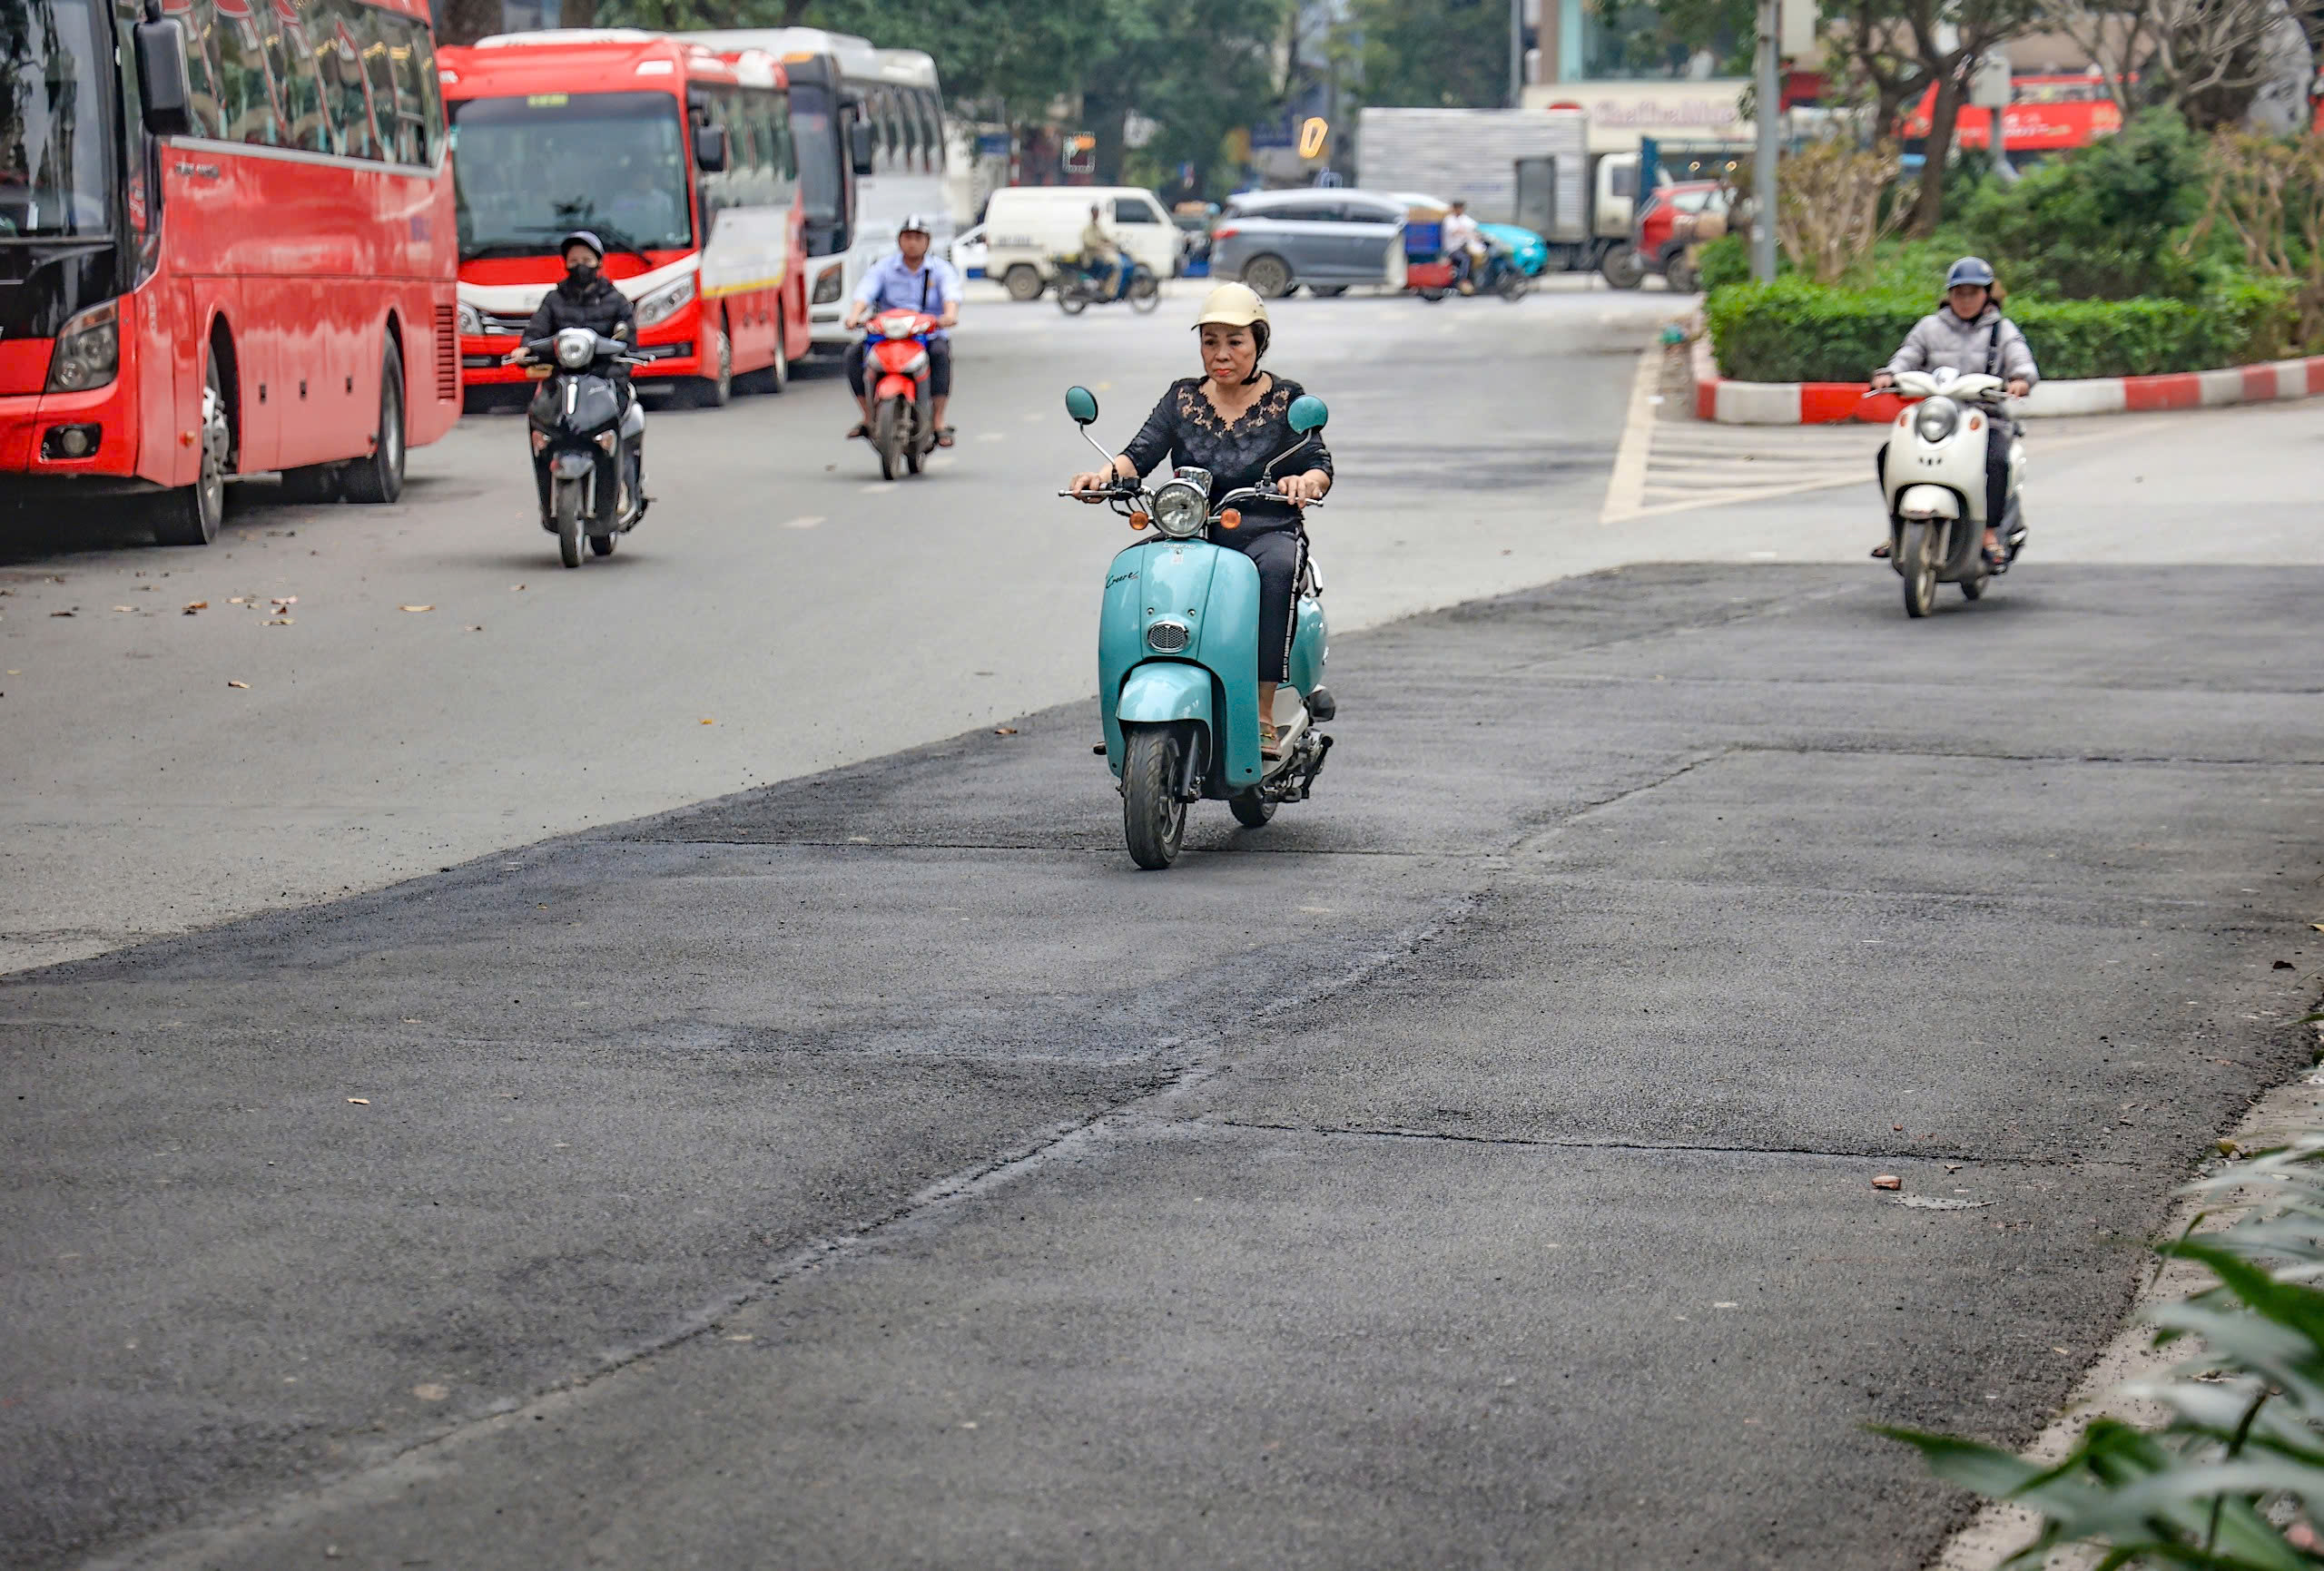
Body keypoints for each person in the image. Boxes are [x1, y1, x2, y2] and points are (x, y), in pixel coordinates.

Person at [1068, 283, 1333, 759]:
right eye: (1210, 341)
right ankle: (1128, 706)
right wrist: (1101, 477)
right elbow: (1139, 453)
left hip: (1265, 528)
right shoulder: (1182, 398)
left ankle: (1262, 711)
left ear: (1259, 343)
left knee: (1274, 571)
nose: (1222, 354)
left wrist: (1305, 483)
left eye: (1235, 342)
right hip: (1192, 530)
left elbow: (1317, 462)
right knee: (1132, 573)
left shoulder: (1288, 400)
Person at [1869, 256, 2038, 568]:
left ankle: (1989, 534)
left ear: (1987, 293)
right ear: (1949, 294)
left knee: (1996, 461)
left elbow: (2021, 360)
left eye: (1973, 292)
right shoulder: (1930, 327)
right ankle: (1897, 529)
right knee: (1888, 455)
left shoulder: (2001, 330)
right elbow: (1907, 356)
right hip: (1937, 416)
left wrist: (2020, 381)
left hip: (1986, 417)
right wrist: (1889, 374)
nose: (1965, 300)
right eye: (1958, 293)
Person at [512, 231, 642, 526]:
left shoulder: (616, 300)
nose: (580, 266)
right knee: (540, 418)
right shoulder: (554, 299)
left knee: (619, 419)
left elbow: (628, 340)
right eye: (574, 261)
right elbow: (536, 332)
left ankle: (621, 483)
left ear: (599, 262)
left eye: (586, 260)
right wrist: (525, 349)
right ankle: (547, 486)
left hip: (606, 381)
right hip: (562, 382)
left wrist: (618, 365)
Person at [842, 213, 961, 447]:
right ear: (899, 241)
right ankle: (868, 416)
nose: (912, 242)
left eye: (918, 237)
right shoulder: (884, 268)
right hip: (887, 336)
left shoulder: (940, 270)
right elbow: (865, 291)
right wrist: (855, 316)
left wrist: (949, 316)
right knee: (853, 356)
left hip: (926, 335)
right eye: (907, 237)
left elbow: (952, 295)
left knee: (940, 355)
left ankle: (938, 421)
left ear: (927, 241)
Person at [1080, 202, 1126, 299]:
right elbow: (1090, 242)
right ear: (1092, 213)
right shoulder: (1089, 228)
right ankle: (1100, 284)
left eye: (1098, 212)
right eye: (1095, 212)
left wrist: (1114, 242)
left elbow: (1105, 237)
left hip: (1098, 255)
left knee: (1113, 265)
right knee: (1111, 266)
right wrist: (1102, 245)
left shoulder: (1097, 226)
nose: (1097, 214)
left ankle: (1107, 289)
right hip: (1090, 258)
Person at [1441, 200, 1482, 293]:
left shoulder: (1463, 218)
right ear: (1455, 209)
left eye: (1462, 208)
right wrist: (1467, 233)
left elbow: (1474, 226)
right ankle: (1462, 281)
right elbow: (1455, 231)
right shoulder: (1449, 219)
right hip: (1452, 249)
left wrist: (1478, 234)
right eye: (1459, 208)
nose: (1461, 210)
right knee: (1465, 259)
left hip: (1463, 247)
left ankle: (1473, 281)